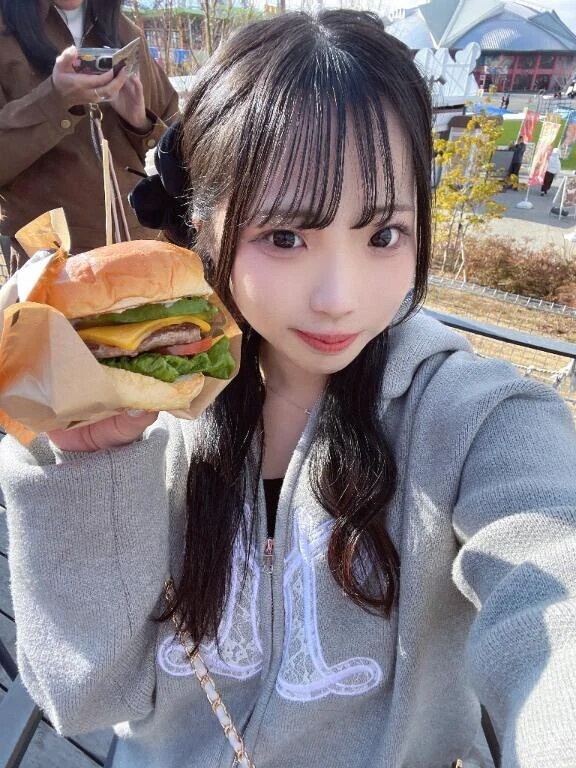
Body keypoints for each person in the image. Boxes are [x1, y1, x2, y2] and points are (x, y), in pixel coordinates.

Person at [1, 10, 576, 768]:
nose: (340, 298)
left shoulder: (472, 420)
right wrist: (89, 468)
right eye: (285, 237)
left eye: (383, 235)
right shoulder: (141, 410)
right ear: (203, 223)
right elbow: (86, 698)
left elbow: (552, 587)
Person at [0, 0, 179, 274]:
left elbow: (180, 149)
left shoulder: (125, 31)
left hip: (145, 257)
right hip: (52, 270)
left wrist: (141, 123)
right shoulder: (6, 35)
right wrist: (55, 100)